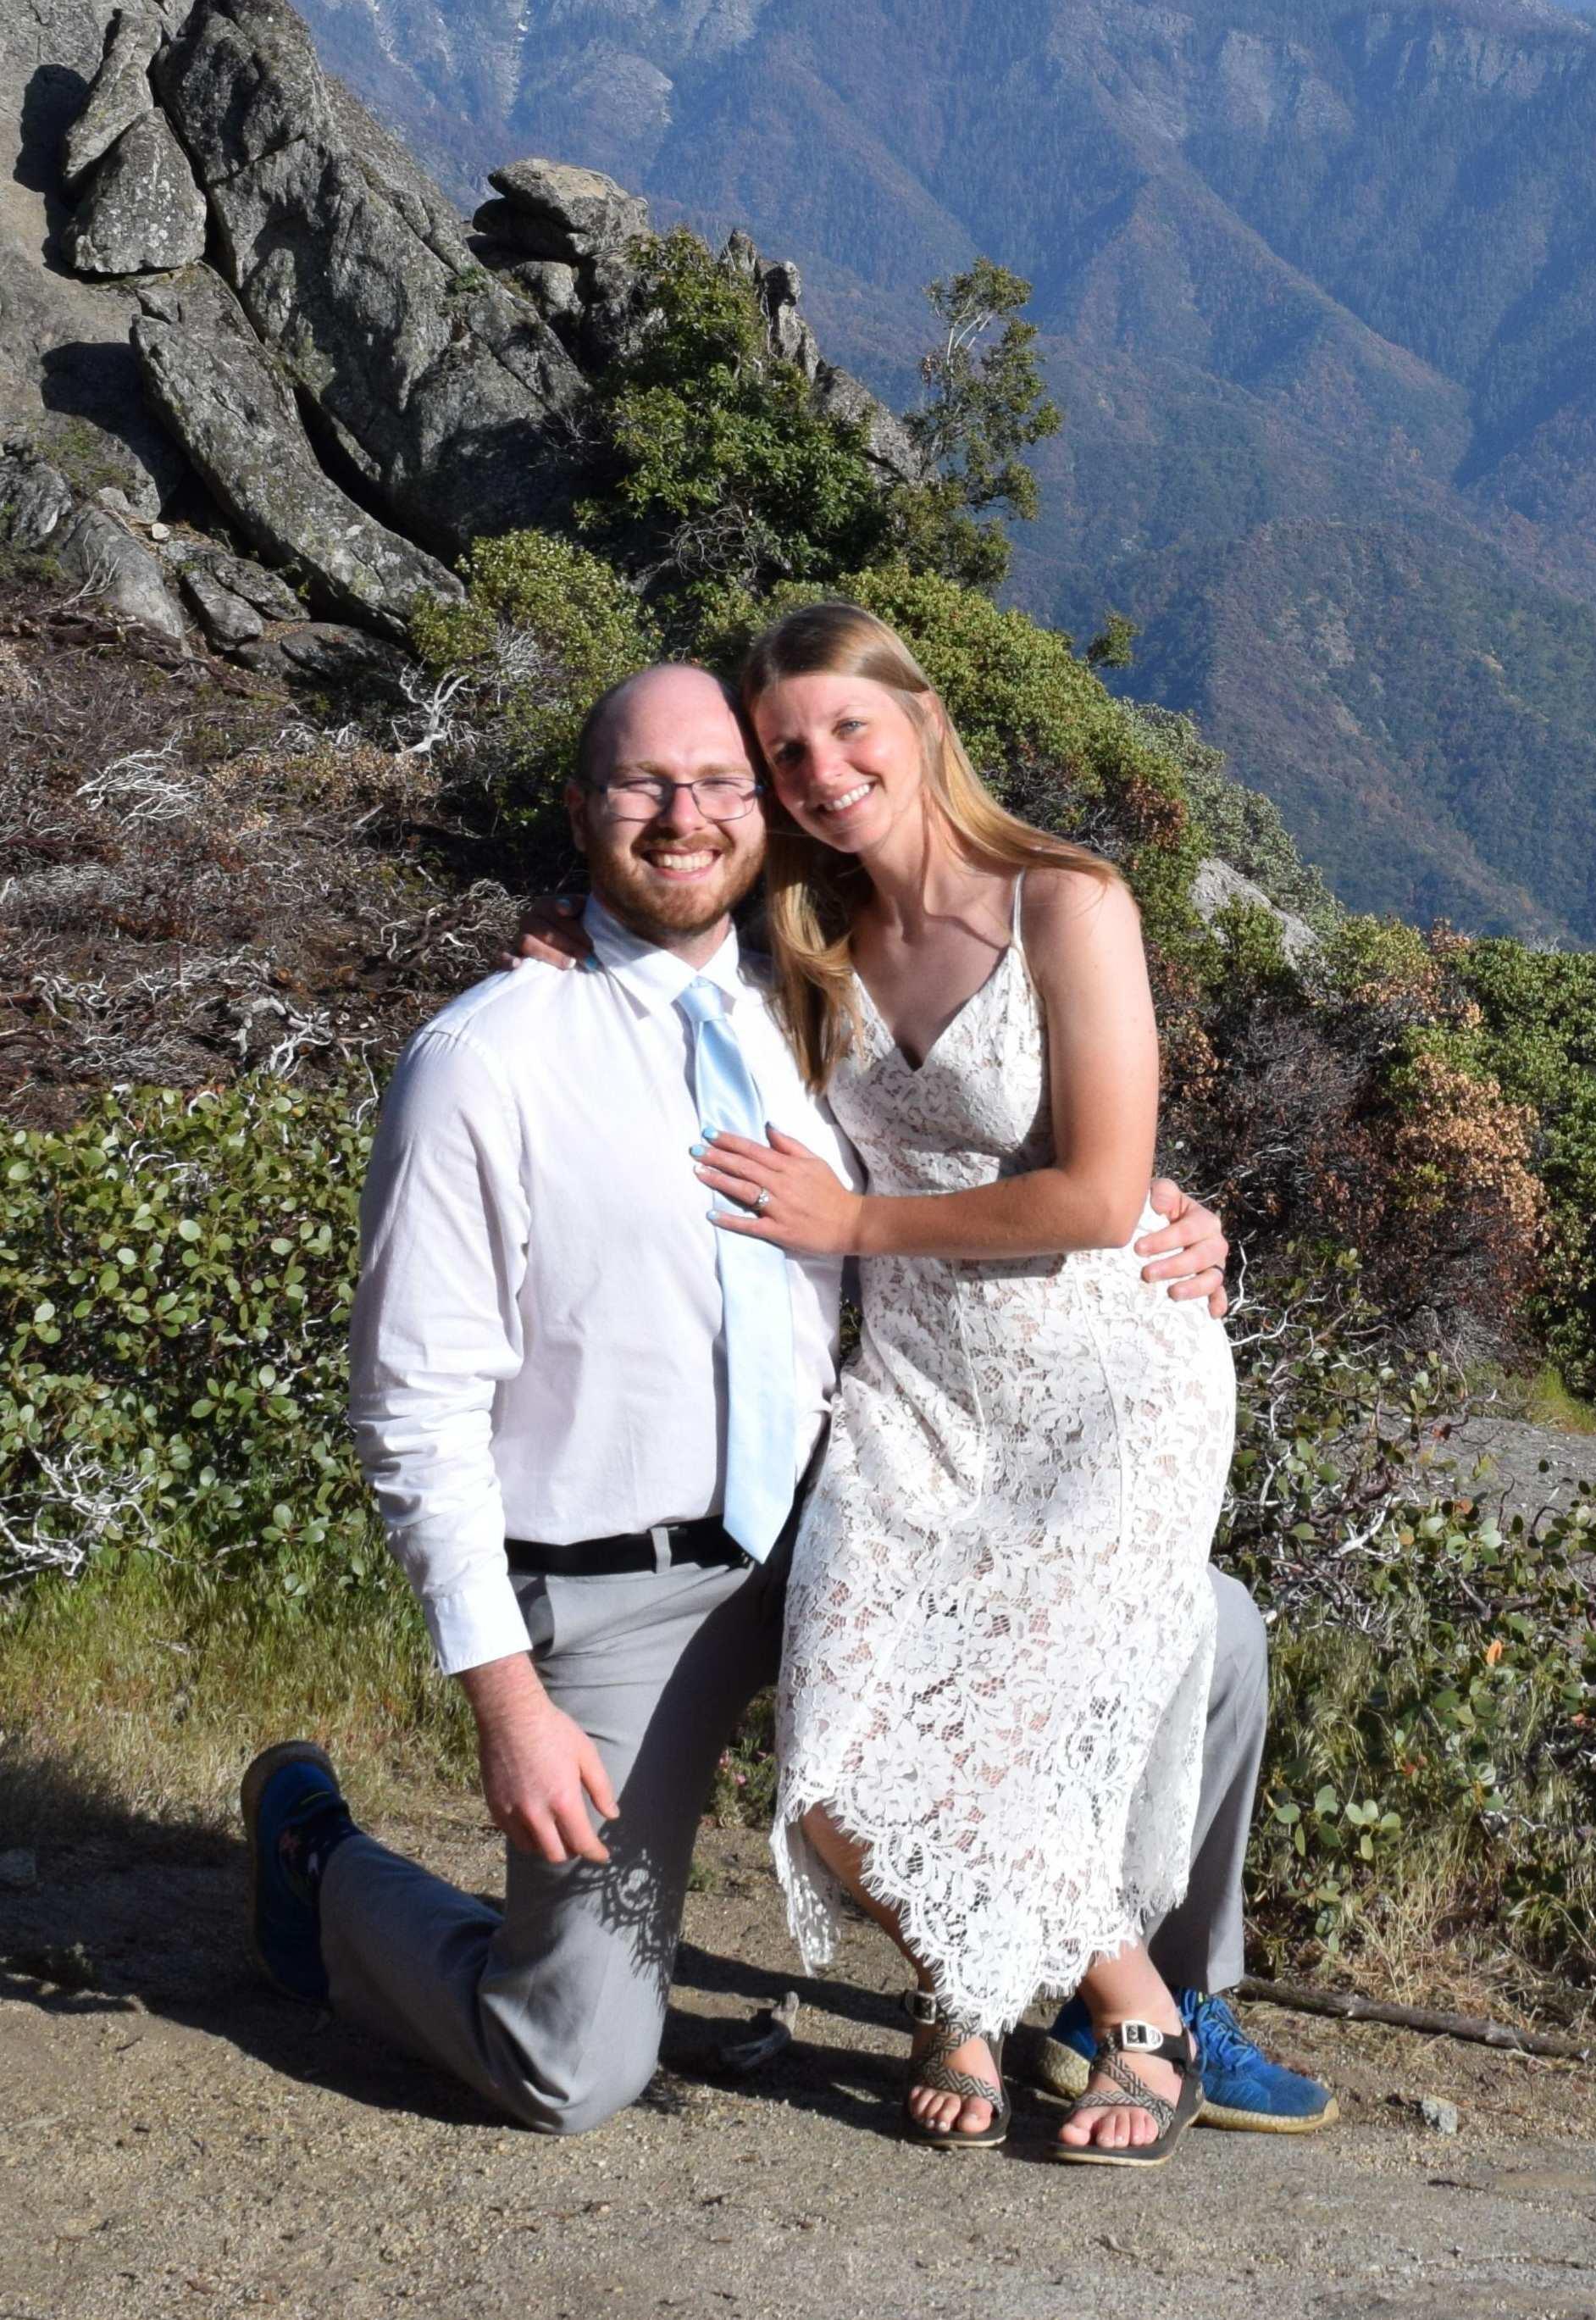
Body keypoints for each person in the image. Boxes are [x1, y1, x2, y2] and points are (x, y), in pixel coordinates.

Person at [241, 656, 1334, 2148]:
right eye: (645, 788)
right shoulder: (492, 1057)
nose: (686, 819)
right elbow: (411, 1408)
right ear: (581, 812)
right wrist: (503, 1696)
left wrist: (1156, 1200)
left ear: (764, 820)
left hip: (848, 1497)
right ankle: (321, 1864)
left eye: (721, 788)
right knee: (567, 2063)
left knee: (1214, 1632)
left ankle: (1150, 1998)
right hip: (634, 1590)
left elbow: (956, 1136)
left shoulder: (794, 987)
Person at [701, 597, 1233, 2159]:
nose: (819, 770)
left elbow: (1096, 1188)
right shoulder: (804, 937)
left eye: (846, 729)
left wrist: (861, 1218)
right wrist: (550, 941)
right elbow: (645, 933)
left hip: (1108, 1385)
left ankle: (968, 1994)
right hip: (923, 1393)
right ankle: (1121, 1993)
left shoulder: (1067, 901)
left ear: (923, 720)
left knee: (1001, 1725)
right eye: (785, 750)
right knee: (835, 1770)